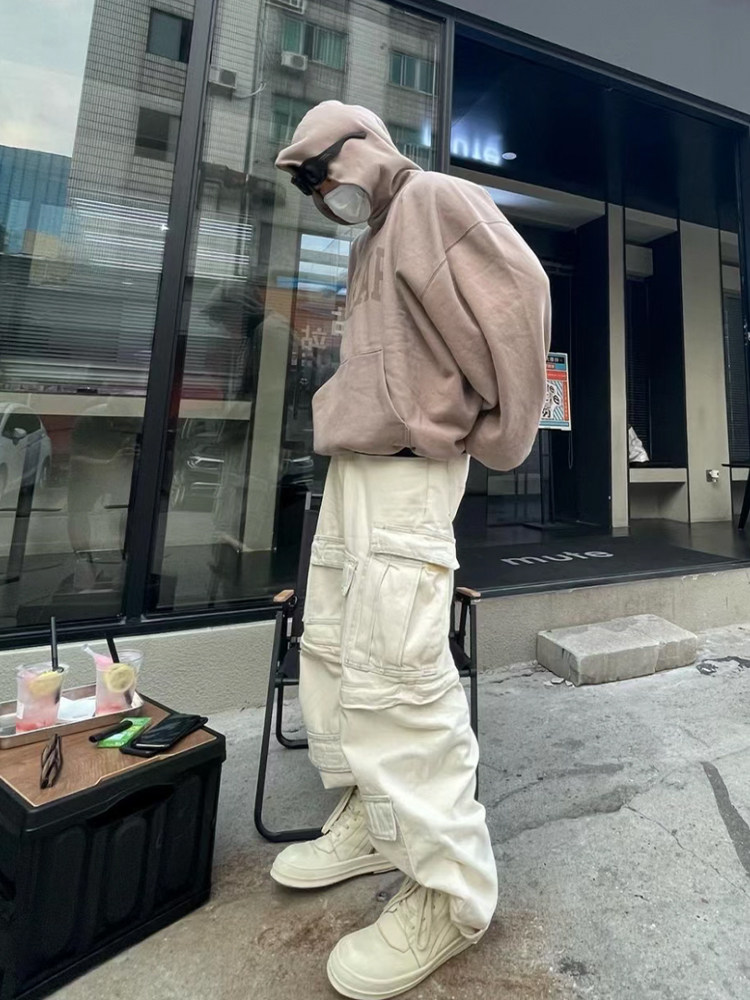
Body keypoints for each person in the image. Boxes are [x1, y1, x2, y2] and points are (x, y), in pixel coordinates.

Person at [272, 101, 551, 999]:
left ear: (361, 149)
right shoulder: (372, 239)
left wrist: (500, 435)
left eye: (324, 170)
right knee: (334, 643)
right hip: (356, 463)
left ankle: (451, 893)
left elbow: (523, 293)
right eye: (307, 182)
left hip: (409, 467)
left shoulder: (432, 198)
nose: (322, 190)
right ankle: (370, 817)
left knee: (398, 669)